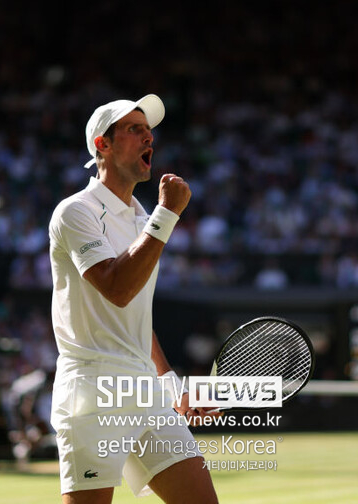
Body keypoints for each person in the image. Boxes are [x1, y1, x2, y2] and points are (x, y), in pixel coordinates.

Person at [48, 95, 219, 503]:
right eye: (134, 129)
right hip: (92, 388)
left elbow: (136, 317)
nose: (149, 138)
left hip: (145, 389)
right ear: (102, 146)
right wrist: (167, 216)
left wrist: (169, 382)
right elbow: (117, 288)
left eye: (149, 131)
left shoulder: (143, 219)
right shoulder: (76, 212)